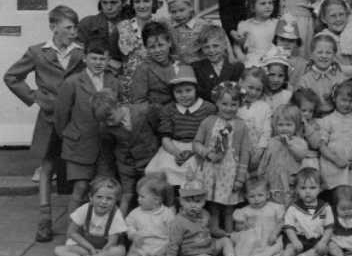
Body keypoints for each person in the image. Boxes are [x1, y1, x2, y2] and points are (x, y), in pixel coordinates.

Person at [4, 5, 84, 242]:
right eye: (68, 28)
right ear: (53, 27)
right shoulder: (38, 52)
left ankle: (79, 221)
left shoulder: (81, 52)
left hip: (74, 119)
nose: (73, 32)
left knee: (79, 167)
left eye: (75, 27)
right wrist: (34, 97)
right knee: (47, 167)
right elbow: (12, 76)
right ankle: (45, 218)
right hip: (49, 120)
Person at [55, 37, 119, 216]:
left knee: (104, 190)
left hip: (105, 145)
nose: (98, 63)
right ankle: (72, 233)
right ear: (85, 58)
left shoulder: (114, 82)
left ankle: (100, 232)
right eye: (94, 58)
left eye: (102, 59)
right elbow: (61, 117)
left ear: (108, 60)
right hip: (79, 144)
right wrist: (72, 135)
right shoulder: (73, 82)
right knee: (81, 187)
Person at [158, 173, 252, 256]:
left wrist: (225, 233)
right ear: (181, 201)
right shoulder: (178, 222)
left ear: (203, 202)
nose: (193, 205)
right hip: (192, 255)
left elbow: (212, 229)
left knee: (225, 241)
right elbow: (174, 243)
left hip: (209, 246)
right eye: (188, 201)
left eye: (197, 201)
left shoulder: (205, 214)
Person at [145, 66, 216, 200]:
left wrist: (195, 151)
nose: (184, 95)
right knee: (162, 168)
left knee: (197, 171)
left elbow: (211, 136)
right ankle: (169, 205)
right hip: (174, 146)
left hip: (199, 146)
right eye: (178, 92)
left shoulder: (208, 108)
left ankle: (194, 205)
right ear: (173, 93)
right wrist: (176, 152)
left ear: (196, 90)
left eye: (188, 90)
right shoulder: (169, 109)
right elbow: (165, 138)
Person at [193, 82, 252, 233]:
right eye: (224, 103)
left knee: (229, 209)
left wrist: (240, 178)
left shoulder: (241, 126)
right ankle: (213, 232)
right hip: (211, 171)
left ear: (239, 104)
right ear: (217, 102)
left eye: (233, 104)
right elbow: (196, 143)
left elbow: (245, 153)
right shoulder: (208, 122)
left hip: (230, 173)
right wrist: (206, 152)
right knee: (213, 207)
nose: (228, 108)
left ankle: (230, 235)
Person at [93, 88, 163, 215]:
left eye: (110, 117)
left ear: (118, 105)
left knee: (150, 194)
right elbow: (108, 147)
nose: (109, 122)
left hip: (149, 160)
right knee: (127, 195)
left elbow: (158, 130)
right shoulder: (105, 127)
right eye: (104, 121)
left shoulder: (144, 111)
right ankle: (118, 229)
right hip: (126, 164)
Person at [54, 176, 128, 256]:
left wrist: (99, 255)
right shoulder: (85, 209)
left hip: (106, 249)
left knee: (119, 252)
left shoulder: (115, 214)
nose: (104, 202)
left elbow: (111, 243)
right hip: (87, 247)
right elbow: (71, 232)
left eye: (109, 198)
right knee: (58, 250)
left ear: (115, 200)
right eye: (99, 197)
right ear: (91, 197)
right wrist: (90, 248)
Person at [105, 174, 176, 256]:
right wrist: (133, 234)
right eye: (138, 195)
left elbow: (173, 231)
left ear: (156, 200)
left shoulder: (167, 213)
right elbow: (129, 224)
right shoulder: (135, 213)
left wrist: (169, 245)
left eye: (142, 196)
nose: (138, 199)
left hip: (160, 246)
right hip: (141, 247)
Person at [109, 0, 161, 102]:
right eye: (137, 1)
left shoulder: (162, 26)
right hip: (129, 94)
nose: (142, 6)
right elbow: (113, 60)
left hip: (157, 92)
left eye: (146, 1)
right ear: (132, 4)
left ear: (153, 2)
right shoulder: (120, 29)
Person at [277, 167, 335, 256]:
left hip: (317, 239)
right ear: (297, 189)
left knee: (323, 249)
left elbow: (329, 227)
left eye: (312, 188)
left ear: (320, 189)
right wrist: (294, 241)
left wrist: (323, 241)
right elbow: (289, 227)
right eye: (303, 188)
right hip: (299, 238)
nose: (307, 191)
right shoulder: (293, 208)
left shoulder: (325, 208)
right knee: (290, 248)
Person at [255, 104, 308, 208]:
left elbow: (301, 154)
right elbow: (265, 160)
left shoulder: (299, 142)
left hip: (290, 183)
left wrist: (289, 144)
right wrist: (259, 175)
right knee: (274, 208)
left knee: (290, 208)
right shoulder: (271, 141)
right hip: (273, 182)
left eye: (288, 125)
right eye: (280, 125)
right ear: (275, 125)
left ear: (296, 125)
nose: (284, 128)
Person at [318, 80, 352, 193]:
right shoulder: (327, 120)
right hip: (334, 165)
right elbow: (321, 146)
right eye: (343, 100)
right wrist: (335, 159)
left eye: (351, 101)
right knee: (335, 193)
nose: (347, 104)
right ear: (334, 99)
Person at [230, 176, 285, 256]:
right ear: (246, 197)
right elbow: (237, 227)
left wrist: (274, 234)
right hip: (251, 239)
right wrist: (244, 225)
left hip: (268, 238)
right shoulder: (245, 210)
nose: (256, 199)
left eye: (260, 195)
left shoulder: (274, 207)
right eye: (252, 196)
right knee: (246, 239)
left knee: (272, 248)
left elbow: (280, 223)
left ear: (267, 195)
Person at [297, 34, 351, 116]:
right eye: (320, 52)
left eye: (328, 52)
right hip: (314, 119)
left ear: (334, 55)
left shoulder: (341, 78)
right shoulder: (305, 80)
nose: (324, 56)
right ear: (311, 54)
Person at [192, 25, 244, 104]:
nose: (211, 50)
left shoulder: (237, 67)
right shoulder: (196, 67)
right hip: (206, 112)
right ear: (201, 48)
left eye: (215, 46)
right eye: (206, 47)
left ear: (225, 45)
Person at [130, 22, 176, 110]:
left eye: (161, 45)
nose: (157, 50)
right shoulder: (142, 69)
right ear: (146, 48)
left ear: (169, 43)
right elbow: (139, 101)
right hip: (157, 116)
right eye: (152, 47)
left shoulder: (179, 62)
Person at [161, 0, 211, 65]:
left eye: (182, 10)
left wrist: (230, 53)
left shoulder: (202, 25)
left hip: (197, 67)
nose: (178, 15)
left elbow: (219, 34)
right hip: (176, 68)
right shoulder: (168, 23)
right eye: (174, 12)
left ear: (190, 7)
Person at [234, 0, 279, 67]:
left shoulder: (275, 23)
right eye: (263, 3)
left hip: (271, 61)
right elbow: (237, 45)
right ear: (252, 7)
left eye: (270, 3)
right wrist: (240, 54)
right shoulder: (245, 25)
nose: (268, 6)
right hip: (252, 62)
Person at [237, 66, 273, 173]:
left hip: (256, 154)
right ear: (240, 82)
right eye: (250, 87)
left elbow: (266, 133)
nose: (253, 92)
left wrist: (258, 154)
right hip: (236, 152)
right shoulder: (233, 105)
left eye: (258, 89)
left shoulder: (264, 107)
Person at [289, 87, 323, 171]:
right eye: (303, 110)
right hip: (293, 159)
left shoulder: (313, 124)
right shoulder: (289, 123)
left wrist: (307, 126)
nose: (307, 114)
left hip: (310, 160)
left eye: (311, 111)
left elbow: (315, 144)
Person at [273, 13, 309, 87]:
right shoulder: (269, 59)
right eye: (282, 39)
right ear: (275, 41)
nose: (286, 44)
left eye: (291, 40)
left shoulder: (304, 65)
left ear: (297, 43)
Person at [258, 47, 294, 112]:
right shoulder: (258, 94)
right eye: (271, 74)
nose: (276, 80)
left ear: (285, 77)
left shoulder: (288, 96)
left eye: (281, 75)